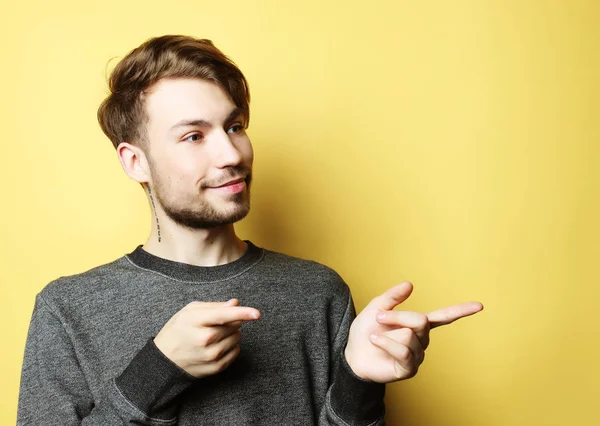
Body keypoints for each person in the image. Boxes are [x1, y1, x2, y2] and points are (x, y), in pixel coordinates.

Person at [17, 35, 483, 426]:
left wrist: (360, 383)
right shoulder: (67, 309)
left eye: (235, 126)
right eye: (194, 136)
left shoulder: (318, 291)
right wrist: (155, 372)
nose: (231, 153)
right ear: (135, 161)